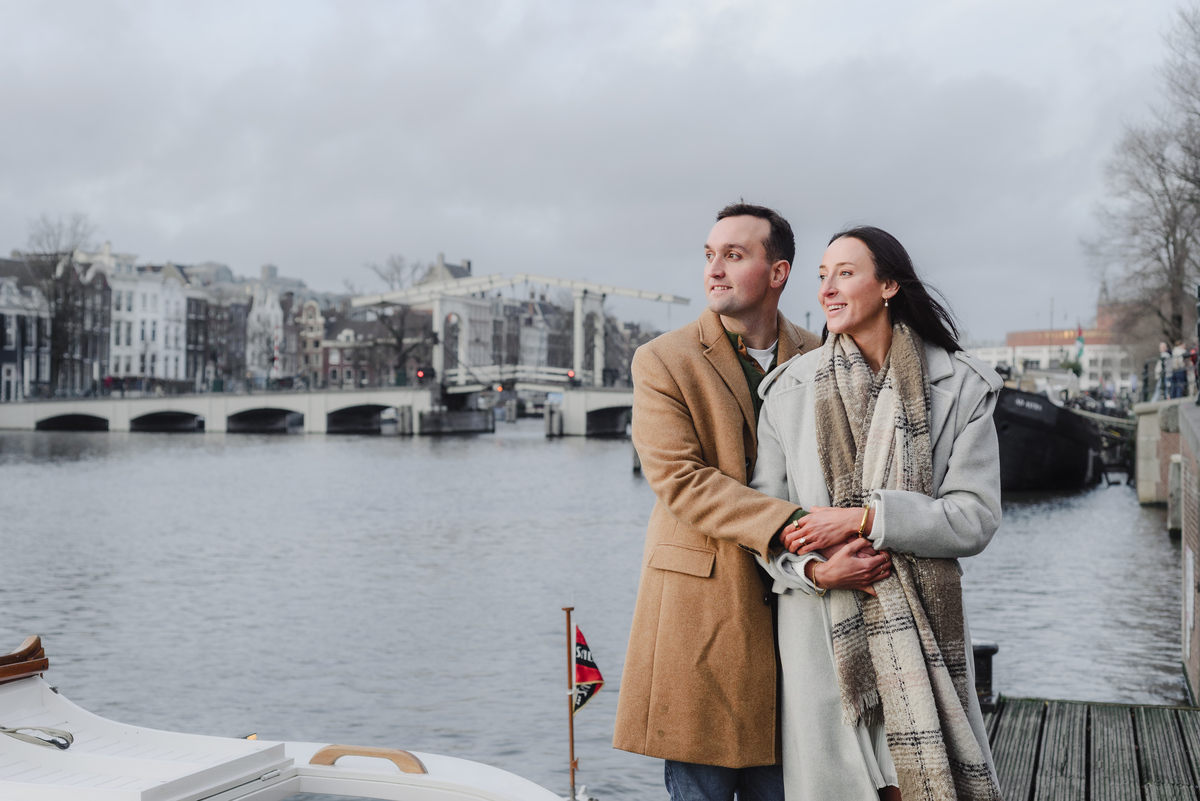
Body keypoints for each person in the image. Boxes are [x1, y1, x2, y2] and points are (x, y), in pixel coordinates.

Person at [751, 226, 1003, 800]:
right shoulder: (787, 392)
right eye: (821, 276)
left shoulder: (961, 387)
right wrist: (815, 571)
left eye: (845, 272)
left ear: (888, 285)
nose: (827, 289)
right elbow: (764, 519)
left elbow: (975, 516)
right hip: (822, 636)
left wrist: (865, 520)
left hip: (926, 634)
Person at [613, 203, 821, 801]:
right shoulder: (662, 360)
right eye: (709, 255)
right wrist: (796, 524)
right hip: (701, 614)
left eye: (734, 255)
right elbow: (681, 479)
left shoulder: (819, 356)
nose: (714, 269)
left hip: (798, 612)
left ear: (778, 272)